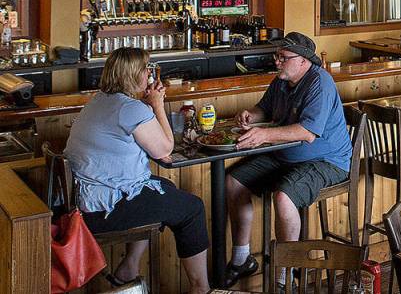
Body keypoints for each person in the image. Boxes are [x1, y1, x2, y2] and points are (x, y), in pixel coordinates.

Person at [64, 48, 210, 294]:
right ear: (133, 74)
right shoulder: (130, 109)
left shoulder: (100, 100)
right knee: (192, 209)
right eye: (146, 69)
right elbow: (164, 149)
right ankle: (201, 288)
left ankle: (128, 268)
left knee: (165, 187)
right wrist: (157, 104)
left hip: (84, 201)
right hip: (104, 209)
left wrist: (147, 106)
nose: (149, 75)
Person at [225, 32, 353, 289]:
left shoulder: (320, 82)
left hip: (327, 161)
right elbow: (265, 109)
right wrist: (251, 115)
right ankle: (241, 259)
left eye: (283, 57)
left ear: (304, 60)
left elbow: (307, 132)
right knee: (232, 181)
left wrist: (264, 135)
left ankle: (286, 275)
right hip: (285, 155)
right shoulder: (282, 80)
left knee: (284, 197)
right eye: (277, 56)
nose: (277, 62)